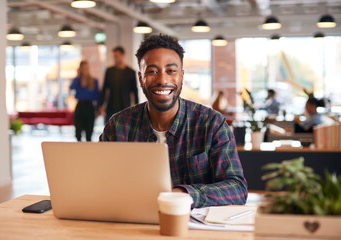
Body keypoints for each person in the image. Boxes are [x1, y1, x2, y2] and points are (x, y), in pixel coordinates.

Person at [99, 34, 247, 208]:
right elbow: (99, 181)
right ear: (140, 78)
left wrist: (183, 194)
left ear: (182, 76)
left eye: (171, 71)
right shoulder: (118, 126)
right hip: (132, 224)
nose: (162, 80)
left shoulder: (212, 124)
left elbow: (237, 189)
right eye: (152, 71)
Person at [98, 46, 139, 122]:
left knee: (124, 130)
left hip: (125, 107)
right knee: (109, 130)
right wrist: (101, 105)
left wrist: (137, 108)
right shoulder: (109, 71)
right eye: (114, 56)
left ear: (123, 55)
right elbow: (104, 89)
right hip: (111, 107)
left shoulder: (131, 72)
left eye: (116, 56)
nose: (115, 58)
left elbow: (135, 91)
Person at [70, 60, 99, 141]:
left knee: (89, 133)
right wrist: (78, 75)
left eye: (87, 68)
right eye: (83, 68)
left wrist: (97, 110)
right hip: (80, 106)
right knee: (78, 132)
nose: (85, 70)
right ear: (81, 69)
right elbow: (71, 87)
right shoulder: (78, 80)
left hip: (89, 107)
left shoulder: (94, 81)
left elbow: (97, 96)